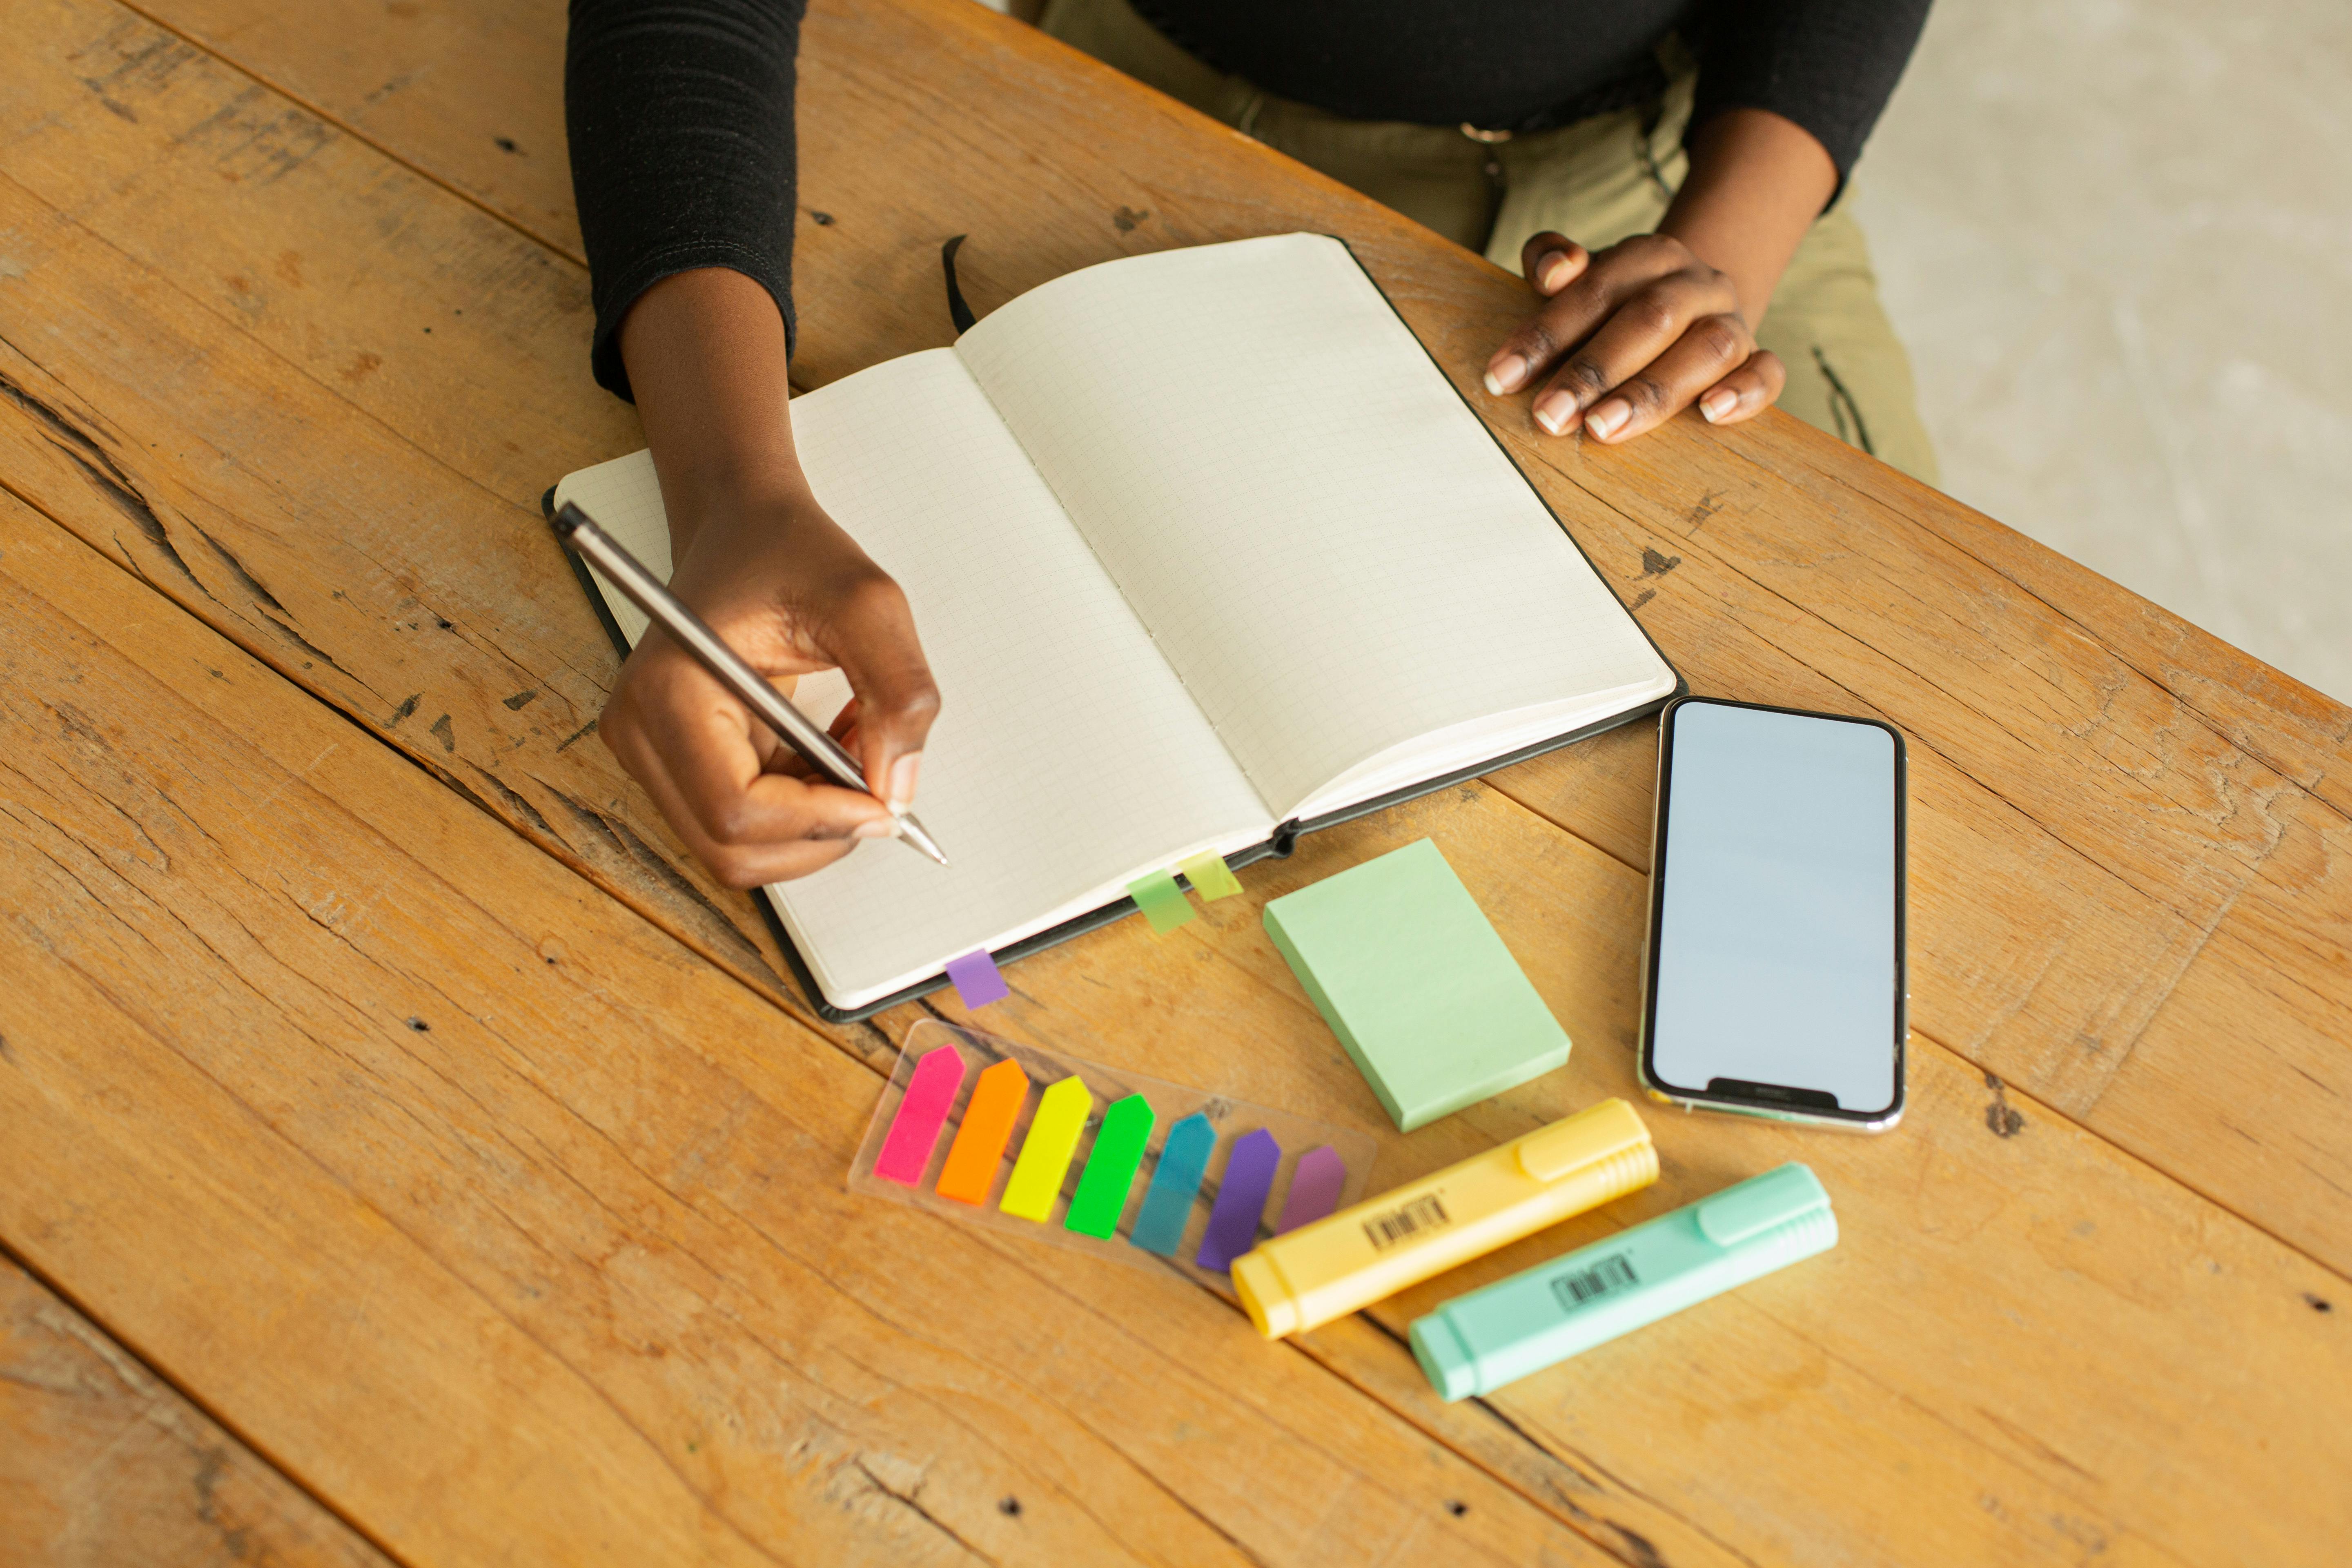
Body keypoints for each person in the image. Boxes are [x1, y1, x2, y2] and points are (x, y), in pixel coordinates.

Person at [566, 0, 1933, 886]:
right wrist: (732, 487)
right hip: (1122, 96)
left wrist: (1727, 245)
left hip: (1669, 194)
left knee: (1879, 768)